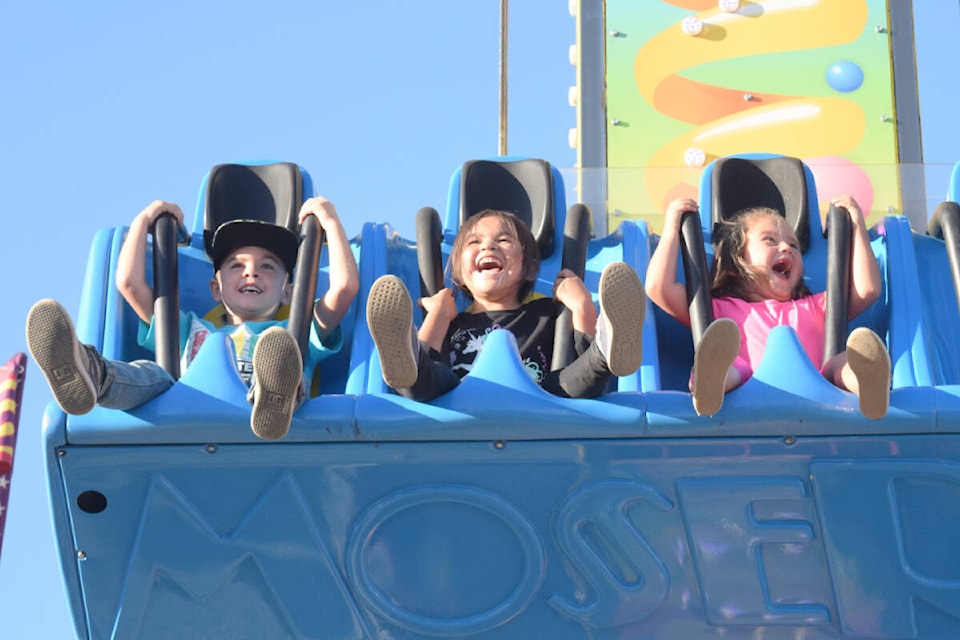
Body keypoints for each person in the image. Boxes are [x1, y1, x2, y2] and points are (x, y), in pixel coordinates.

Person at [26, 196, 358, 440]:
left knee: (283, 362)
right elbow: (129, 284)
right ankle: (89, 373)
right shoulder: (189, 329)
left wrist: (329, 222)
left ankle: (271, 397)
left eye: (267, 266)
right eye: (236, 266)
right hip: (186, 405)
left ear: (288, 292)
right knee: (153, 376)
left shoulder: (295, 330)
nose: (252, 273)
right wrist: (144, 221)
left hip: (268, 413)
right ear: (216, 288)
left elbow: (344, 288)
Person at [645, 196, 890, 419]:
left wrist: (856, 224)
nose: (786, 248)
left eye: (793, 246)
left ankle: (868, 384)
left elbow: (867, 289)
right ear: (736, 262)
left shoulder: (817, 307)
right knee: (726, 358)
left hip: (818, 392)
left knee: (841, 362)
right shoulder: (715, 310)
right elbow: (659, 288)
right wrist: (672, 230)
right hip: (743, 393)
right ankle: (710, 383)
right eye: (769, 240)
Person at [365, 208, 645, 401]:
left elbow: (579, 357)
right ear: (459, 273)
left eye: (503, 240)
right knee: (420, 379)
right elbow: (428, 359)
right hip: (458, 400)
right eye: (475, 242)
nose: (488, 247)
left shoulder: (547, 314)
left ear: (529, 267)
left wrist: (583, 305)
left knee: (575, 381)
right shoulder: (453, 322)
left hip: (541, 401)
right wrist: (438, 314)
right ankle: (401, 345)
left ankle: (608, 345)